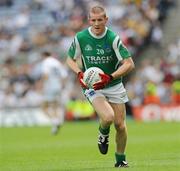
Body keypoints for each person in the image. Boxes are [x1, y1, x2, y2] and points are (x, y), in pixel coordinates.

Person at [66, 5, 135, 167]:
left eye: (100, 20)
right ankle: (103, 133)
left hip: (114, 84)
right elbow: (69, 59)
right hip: (92, 86)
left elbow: (129, 64)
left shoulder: (113, 38)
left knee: (120, 125)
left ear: (106, 20)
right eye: (93, 20)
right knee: (108, 117)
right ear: (89, 20)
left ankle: (120, 160)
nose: (96, 23)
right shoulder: (81, 38)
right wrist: (79, 73)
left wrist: (110, 76)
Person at [40, 51, 68, 135]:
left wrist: (42, 86)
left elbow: (46, 75)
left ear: (44, 55)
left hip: (49, 86)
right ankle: (56, 123)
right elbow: (64, 75)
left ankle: (55, 121)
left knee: (44, 107)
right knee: (55, 106)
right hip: (58, 86)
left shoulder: (46, 62)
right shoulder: (57, 62)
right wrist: (62, 86)